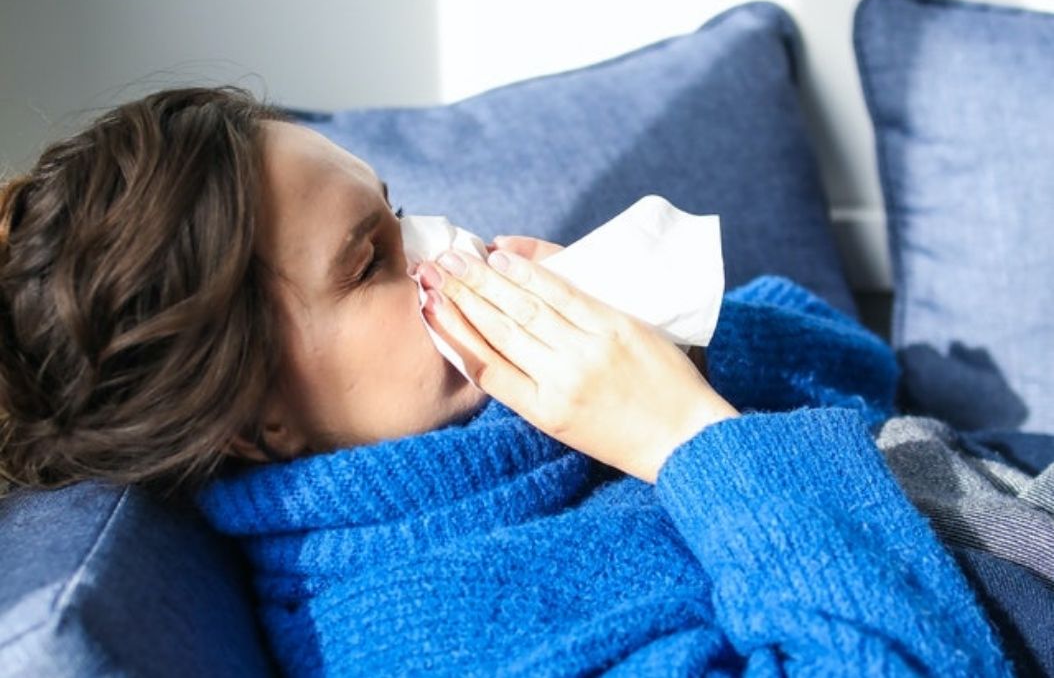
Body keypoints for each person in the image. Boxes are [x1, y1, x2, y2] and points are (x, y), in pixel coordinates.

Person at [0, 87, 1012, 675]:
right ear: (251, 420)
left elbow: (865, 378)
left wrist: (666, 344)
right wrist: (684, 440)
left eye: (398, 212)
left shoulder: (506, 427)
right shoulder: (430, 634)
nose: (448, 245)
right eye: (371, 261)